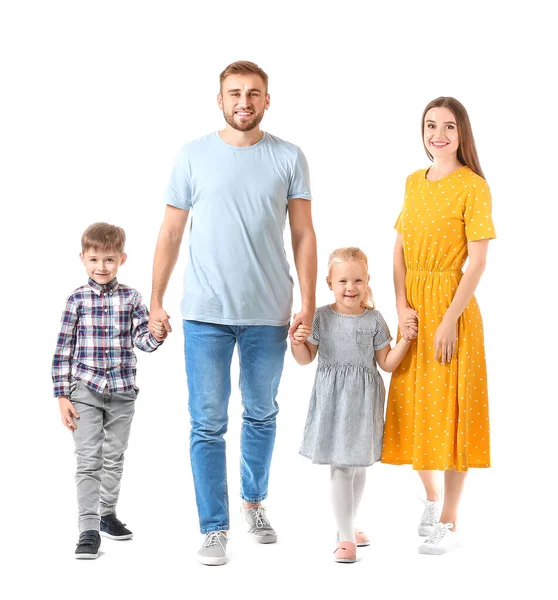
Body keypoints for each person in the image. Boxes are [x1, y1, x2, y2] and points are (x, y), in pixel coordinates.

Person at [148, 60, 317, 566]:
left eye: (254, 93)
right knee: (207, 422)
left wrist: (307, 302)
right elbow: (171, 233)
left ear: (268, 100)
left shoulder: (289, 157)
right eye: (235, 92)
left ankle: (253, 502)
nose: (244, 100)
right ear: (219, 100)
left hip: (270, 311)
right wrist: (155, 299)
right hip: (205, 312)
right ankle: (214, 528)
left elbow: (304, 234)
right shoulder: (192, 155)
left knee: (262, 413)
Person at [381, 97, 496, 555]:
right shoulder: (413, 182)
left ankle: (449, 518)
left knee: (451, 413)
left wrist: (449, 319)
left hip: (453, 311)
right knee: (411, 408)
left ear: (462, 133)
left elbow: (479, 260)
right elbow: (399, 250)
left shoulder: (474, 186)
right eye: (431, 125)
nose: (439, 134)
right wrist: (400, 306)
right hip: (414, 311)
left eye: (449, 126)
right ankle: (431, 498)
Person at [291, 247, 416, 563]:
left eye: (358, 280)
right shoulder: (321, 316)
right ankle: (345, 537)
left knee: (359, 465)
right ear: (330, 283)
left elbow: (386, 363)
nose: (351, 287)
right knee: (342, 467)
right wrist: (295, 342)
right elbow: (306, 359)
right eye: (343, 280)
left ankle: (346, 524)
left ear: (368, 281)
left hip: (364, 401)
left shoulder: (374, 319)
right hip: (334, 401)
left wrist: (406, 340)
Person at [52, 222, 165, 559]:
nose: (101, 267)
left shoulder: (132, 298)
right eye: (94, 260)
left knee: (114, 457)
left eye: (109, 260)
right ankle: (88, 529)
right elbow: (63, 350)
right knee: (89, 460)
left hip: (122, 391)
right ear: (83, 259)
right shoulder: (77, 299)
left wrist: (158, 332)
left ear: (122, 259)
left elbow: (142, 341)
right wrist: (62, 396)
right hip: (84, 389)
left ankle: (106, 514)